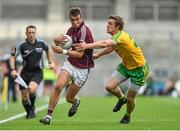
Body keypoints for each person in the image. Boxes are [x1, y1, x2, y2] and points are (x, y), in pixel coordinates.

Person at [76, 15, 149, 124]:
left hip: (139, 70)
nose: (107, 25)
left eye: (110, 24)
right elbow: (111, 48)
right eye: (108, 23)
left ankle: (127, 116)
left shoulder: (121, 36)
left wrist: (86, 46)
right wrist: (98, 55)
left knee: (130, 99)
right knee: (109, 86)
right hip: (125, 66)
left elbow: (105, 44)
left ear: (117, 27)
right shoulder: (117, 37)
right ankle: (121, 98)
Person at [39, 7, 94, 125]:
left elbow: (79, 54)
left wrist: (62, 52)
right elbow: (65, 46)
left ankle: (75, 102)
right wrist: (56, 40)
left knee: (69, 98)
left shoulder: (84, 32)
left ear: (81, 18)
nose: (75, 22)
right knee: (58, 86)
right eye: (72, 20)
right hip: (71, 63)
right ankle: (48, 116)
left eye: (77, 19)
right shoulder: (70, 30)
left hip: (83, 68)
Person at [10, 25, 55, 119]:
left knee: (31, 89)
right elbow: (12, 56)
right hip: (25, 73)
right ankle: (29, 112)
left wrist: (50, 61)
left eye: (33, 32)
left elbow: (48, 50)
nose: (31, 34)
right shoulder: (21, 46)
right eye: (29, 33)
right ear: (26, 34)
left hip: (37, 72)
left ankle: (33, 107)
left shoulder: (41, 43)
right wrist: (13, 69)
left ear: (36, 33)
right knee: (24, 97)